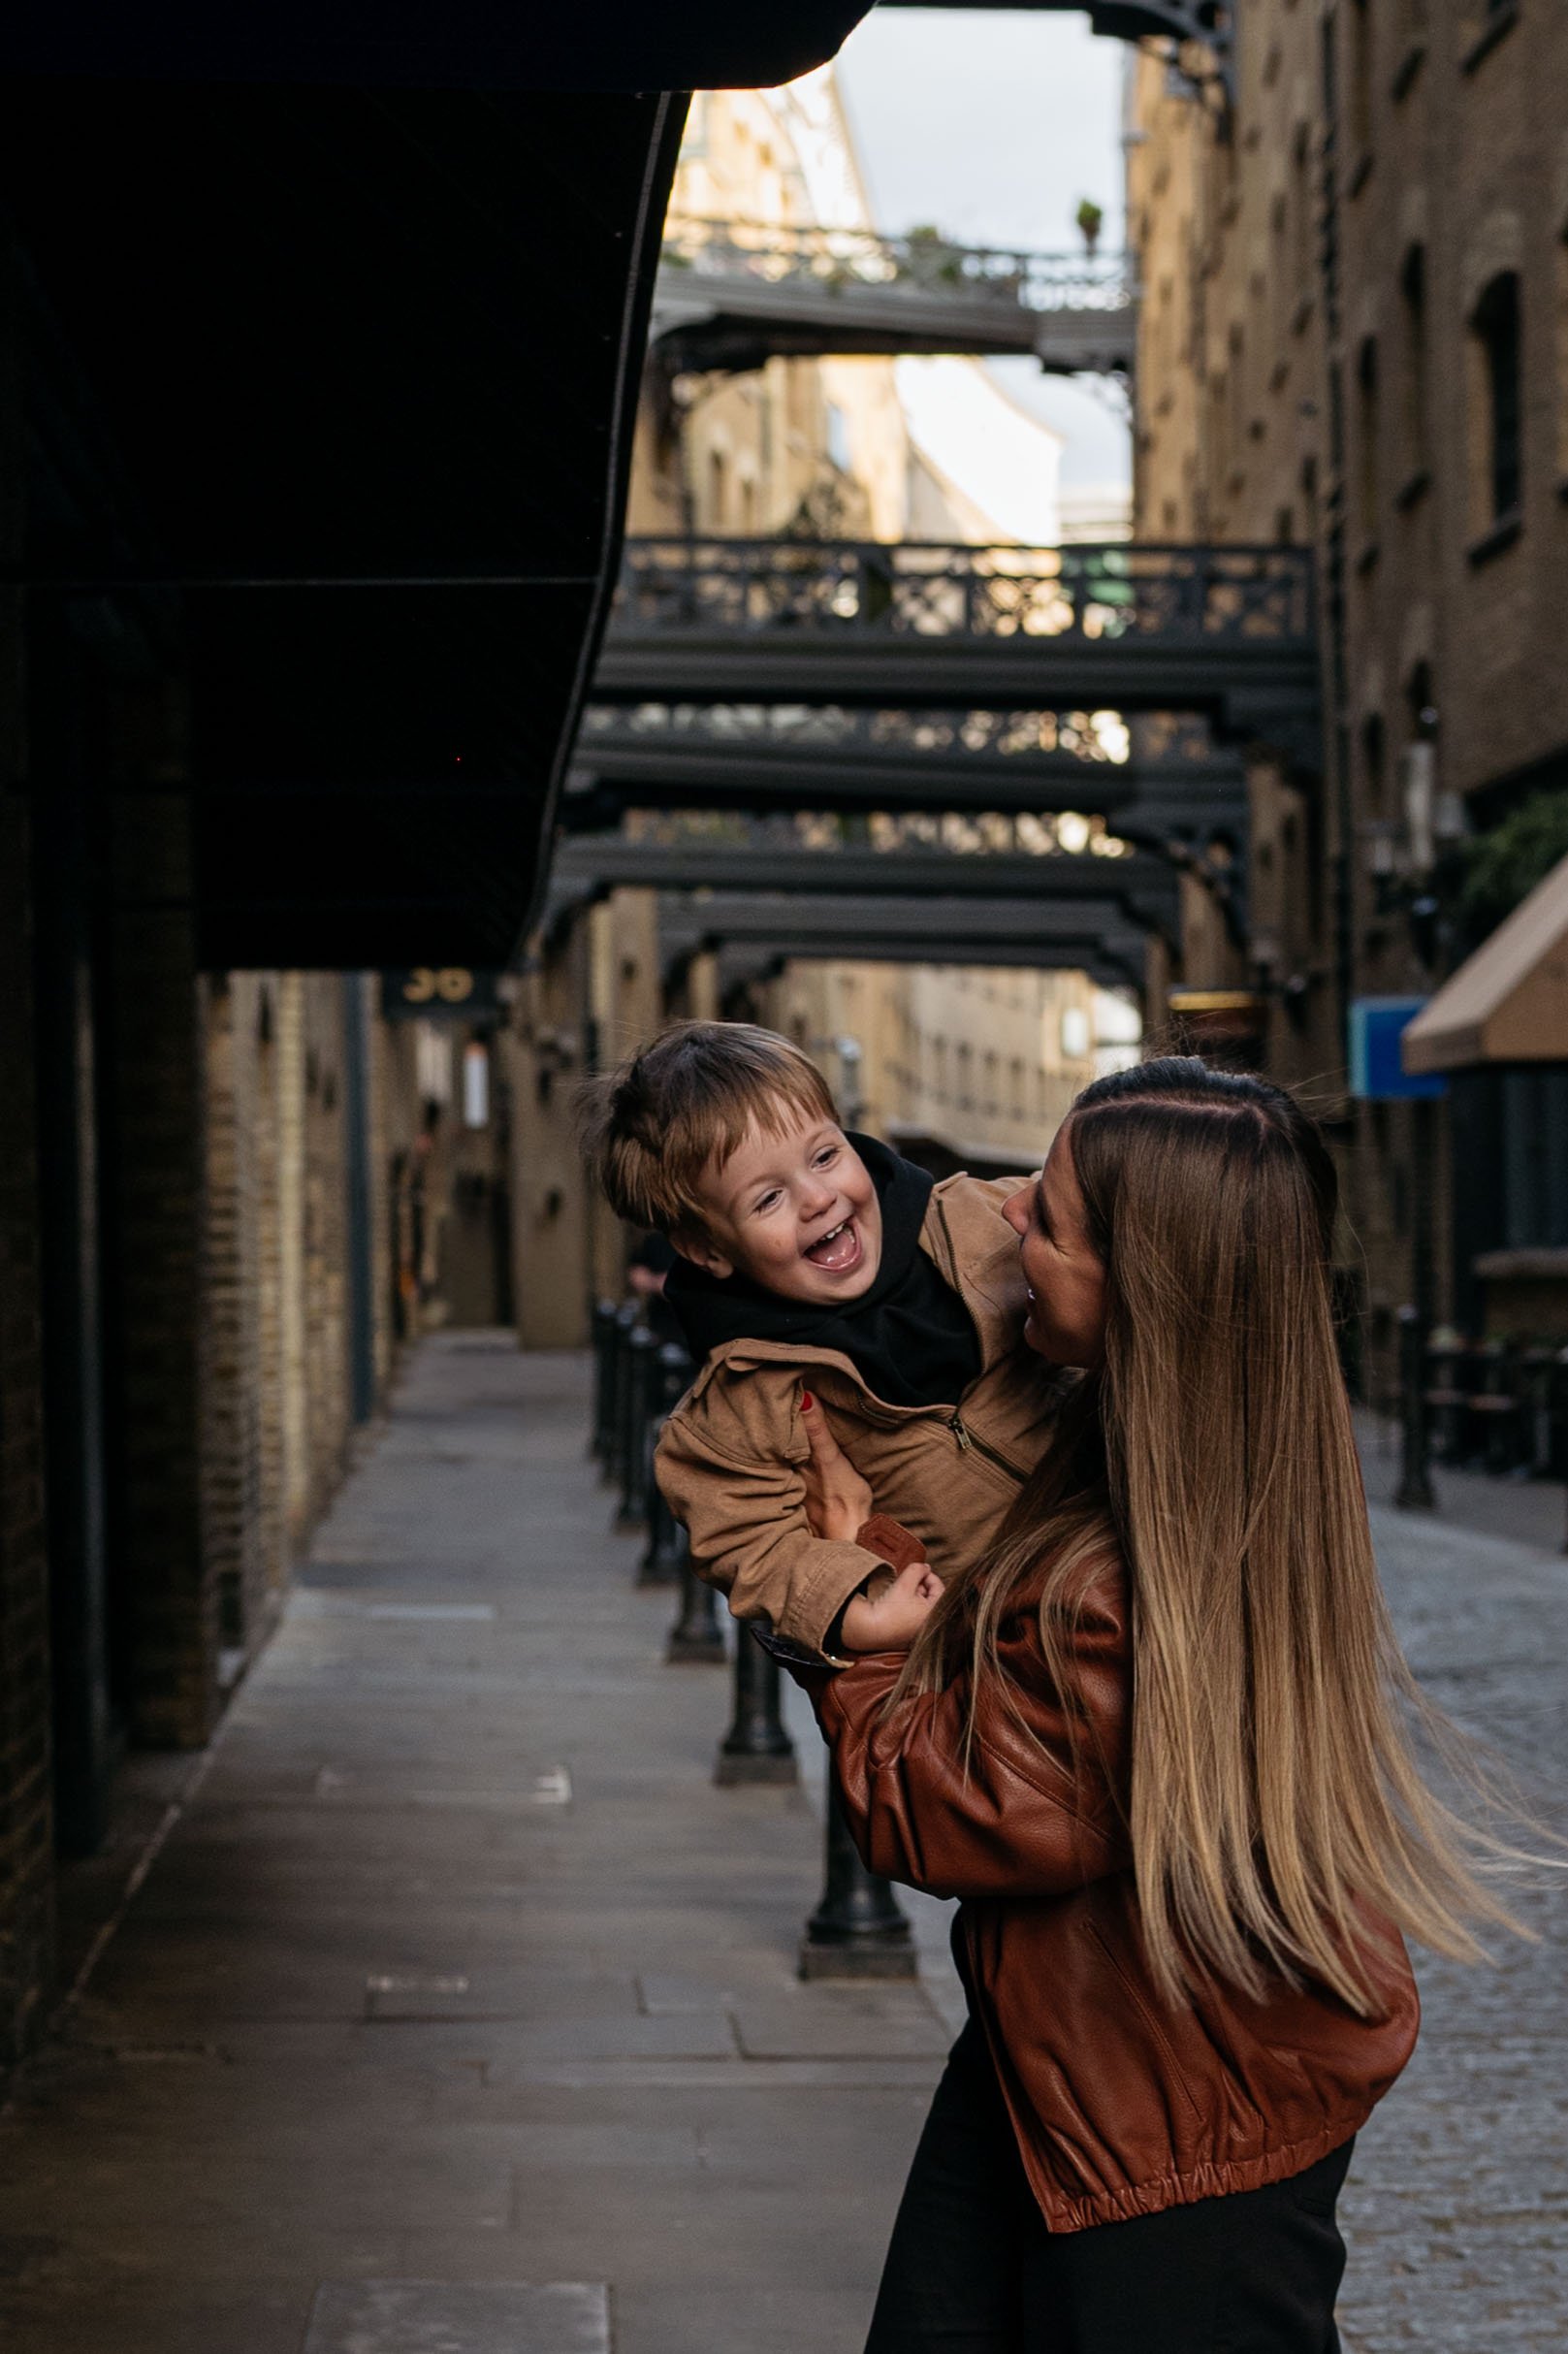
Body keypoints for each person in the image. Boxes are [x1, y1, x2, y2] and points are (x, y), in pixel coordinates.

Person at [794, 1056, 1530, 2353]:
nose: (1011, 1212)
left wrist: (843, 1606)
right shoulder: (1199, 1479)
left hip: (1163, 2128)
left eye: (1052, 1217)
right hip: (1081, 2051)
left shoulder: (1121, 1593)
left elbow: (933, 1810)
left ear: (1142, 1285)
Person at [578, 1019, 1061, 1660]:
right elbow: (751, 1541)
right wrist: (854, 1610)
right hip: (989, 1657)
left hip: (1126, 1582)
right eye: (768, 1199)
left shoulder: (984, 1223)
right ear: (707, 1249)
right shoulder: (747, 1397)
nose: (816, 1198)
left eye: (825, 1156)